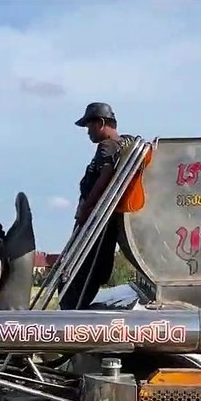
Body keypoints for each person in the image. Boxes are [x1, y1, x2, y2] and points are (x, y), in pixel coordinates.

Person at [61, 102, 137, 310]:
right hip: (104, 222)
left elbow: (105, 176)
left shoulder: (107, 146)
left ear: (101, 123)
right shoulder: (123, 144)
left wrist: (87, 209)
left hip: (95, 222)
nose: (88, 132)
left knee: (81, 268)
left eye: (89, 126)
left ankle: (70, 308)